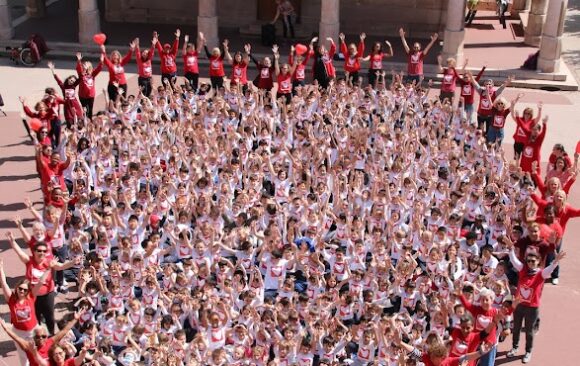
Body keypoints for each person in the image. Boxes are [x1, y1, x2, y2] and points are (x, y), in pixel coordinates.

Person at [505, 240, 566, 364]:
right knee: (515, 328)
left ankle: (528, 351)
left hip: (532, 308)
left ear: (538, 261)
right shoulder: (522, 269)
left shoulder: (540, 274)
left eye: (533, 261)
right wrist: (511, 248)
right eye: (528, 261)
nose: (530, 263)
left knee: (529, 331)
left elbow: (549, 269)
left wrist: (555, 261)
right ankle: (515, 347)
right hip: (519, 305)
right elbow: (513, 260)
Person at [0, 258, 46, 366]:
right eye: (20, 289)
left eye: (25, 290)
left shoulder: (31, 297)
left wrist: (47, 270)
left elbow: (40, 283)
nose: (22, 291)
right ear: (16, 289)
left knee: (37, 354)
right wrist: (1, 268)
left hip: (33, 331)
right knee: (23, 356)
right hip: (19, 332)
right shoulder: (11, 299)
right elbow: (3, 283)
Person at [47, 62, 83, 129]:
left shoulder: (73, 86)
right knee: (70, 122)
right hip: (67, 106)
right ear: (68, 79)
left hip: (75, 104)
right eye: (70, 80)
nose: (71, 82)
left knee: (79, 121)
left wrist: (79, 62)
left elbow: (81, 77)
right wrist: (52, 70)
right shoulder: (63, 87)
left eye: (73, 81)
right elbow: (58, 80)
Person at [100, 41, 135, 107]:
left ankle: (122, 113)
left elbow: (128, 58)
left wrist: (131, 50)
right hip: (113, 85)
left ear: (119, 57)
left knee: (123, 101)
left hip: (122, 85)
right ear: (112, 57)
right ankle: (113, 113)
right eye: (113, 55)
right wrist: (103, 50)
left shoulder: (121, 63)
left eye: (116, 55)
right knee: (113, 101)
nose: (115, 57)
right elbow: (105, 59)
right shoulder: (110, 64)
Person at [75, 52, 103, 119]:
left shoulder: (92, 74)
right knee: (85, 109)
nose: (84, 65)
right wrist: (79, 61)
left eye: (86, 65)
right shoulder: (81, 74)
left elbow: (99, 69)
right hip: (82, 95)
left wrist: (101, 61)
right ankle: (85, 120)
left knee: (90, 109)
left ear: (89, 66)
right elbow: (78, 68)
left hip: (91, 95)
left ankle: (90, 120)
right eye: (84, 65)